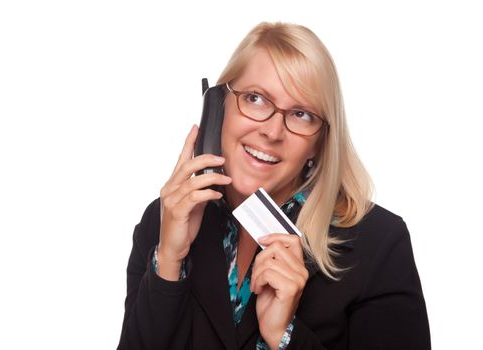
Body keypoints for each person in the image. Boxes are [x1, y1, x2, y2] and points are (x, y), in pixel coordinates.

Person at [116, 22, 431, 349]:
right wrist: (169, 260)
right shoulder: (165, 220)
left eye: (301, 114)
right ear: (219, 107)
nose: (272, 131)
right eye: (255, 98)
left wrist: (285, 337)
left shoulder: (379, 244)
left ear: (320, 143)